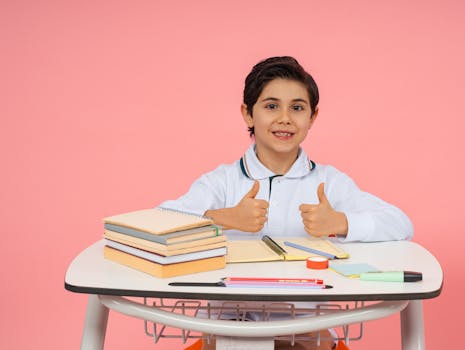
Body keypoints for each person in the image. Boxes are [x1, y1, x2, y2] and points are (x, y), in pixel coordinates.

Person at [160, 56, 413, 349]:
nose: (285, 118)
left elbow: (401, 223)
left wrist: (340, 222)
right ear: (248, 114)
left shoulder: (329, 182)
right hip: (225, 328)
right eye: (271, 106)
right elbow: (158, 219)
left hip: (307, 329)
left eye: (297, 107)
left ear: (312, 117)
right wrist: (222, 217)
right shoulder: (222, 181)